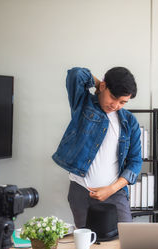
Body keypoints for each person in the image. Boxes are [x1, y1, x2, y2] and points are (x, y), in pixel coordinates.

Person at [52, 67, 142, 227]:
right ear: (103, 87)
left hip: (115, 193)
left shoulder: (129, 122)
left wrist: (111, 189)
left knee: (126, 239)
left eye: (122, 102)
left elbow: (135, 162)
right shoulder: (82, 104)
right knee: (87, 245)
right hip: (80, 191)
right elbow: (76, 74)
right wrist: (100, 83)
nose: (115, 105)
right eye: (113, 97)